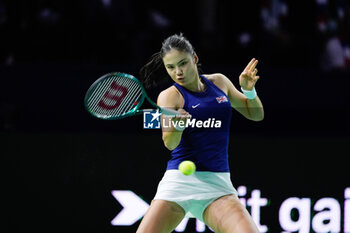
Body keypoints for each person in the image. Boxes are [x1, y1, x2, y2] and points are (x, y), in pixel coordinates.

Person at [137, 33, 264, 233]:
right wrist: (177, 125)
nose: (178, 72)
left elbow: (255, 114)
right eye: (170, 67)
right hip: (178, 184)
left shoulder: (220, 83)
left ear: (194, 58)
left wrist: (249, 91)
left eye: (183, 63)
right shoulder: (169, 97)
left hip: (218, 186)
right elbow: (169, 143)